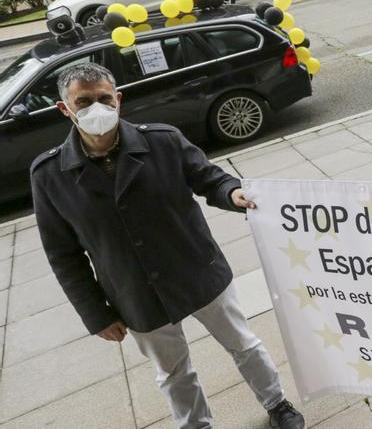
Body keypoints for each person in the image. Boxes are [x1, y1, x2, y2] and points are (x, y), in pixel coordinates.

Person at [29, 63, 305, 429]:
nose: (96, 108)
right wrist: (96, 313)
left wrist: (232, 192)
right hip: (136, 293)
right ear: (65, 108)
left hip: (198, 270)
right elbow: (63, 254)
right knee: (173, 372)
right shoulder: (49, 175)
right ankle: (195, 425)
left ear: (119, 100)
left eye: (104, 98)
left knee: (244, 344)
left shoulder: (162, 140)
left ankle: (277, 404)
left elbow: (209, 178)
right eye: (83, 101)